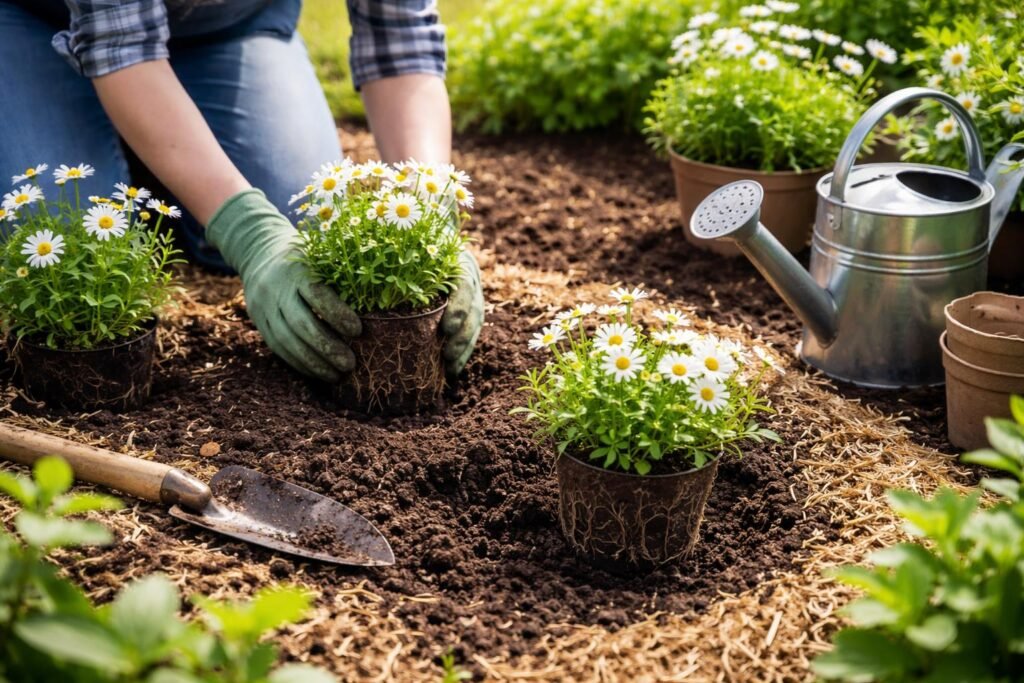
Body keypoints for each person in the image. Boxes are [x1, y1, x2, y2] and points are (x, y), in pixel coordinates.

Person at [0, 0, 484, 382]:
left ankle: (159, 153)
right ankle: (135, 140)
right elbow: (119, 42)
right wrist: (248, 233)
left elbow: (400, 38)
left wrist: (430, 202)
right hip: (35, 20)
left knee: (304, 222)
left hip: (228, 30)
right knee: (68, 247)